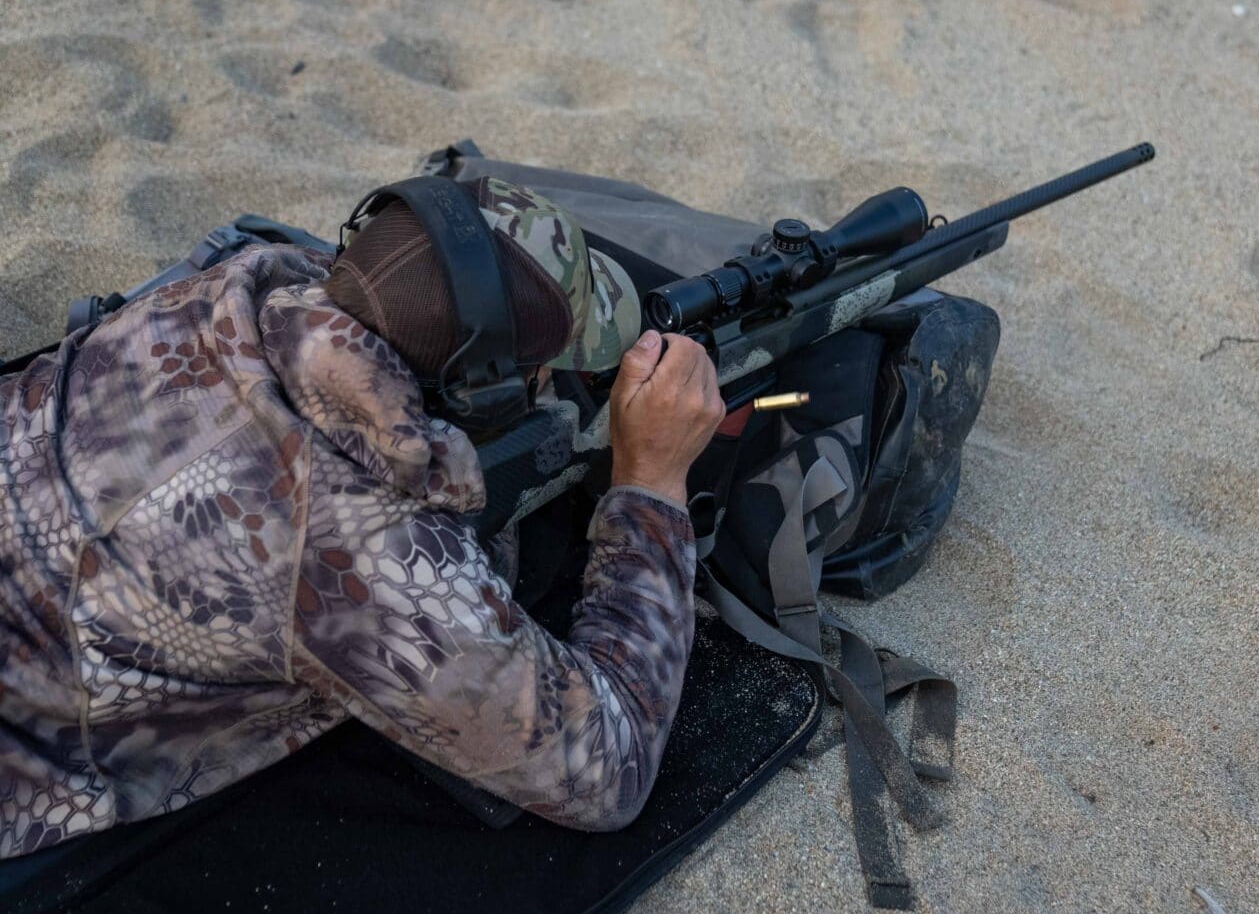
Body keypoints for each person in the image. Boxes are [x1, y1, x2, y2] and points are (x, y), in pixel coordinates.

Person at [0, 176, 724, 859]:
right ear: (482, 394)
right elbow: (607, 772)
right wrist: (650, 482)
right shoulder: (367, 551)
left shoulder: (241, 279)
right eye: (544, 372)